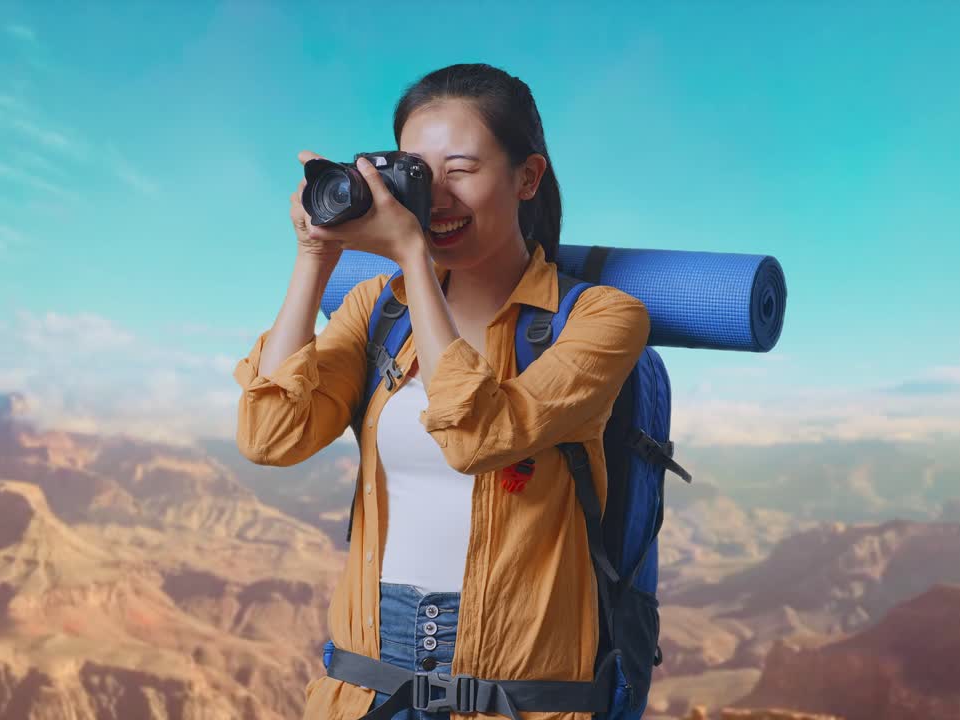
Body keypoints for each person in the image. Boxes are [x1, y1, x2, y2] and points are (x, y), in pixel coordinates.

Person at [233, 63, 651, 720]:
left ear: (527, 178)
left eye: (460, 170)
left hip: (517, 697)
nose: (436, 199)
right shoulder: (378, 310)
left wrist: (412, 259)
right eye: (417, 174)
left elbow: (477, 438)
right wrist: (315, 256)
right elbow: (270, 437)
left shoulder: (602, 318)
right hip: (366, 686)